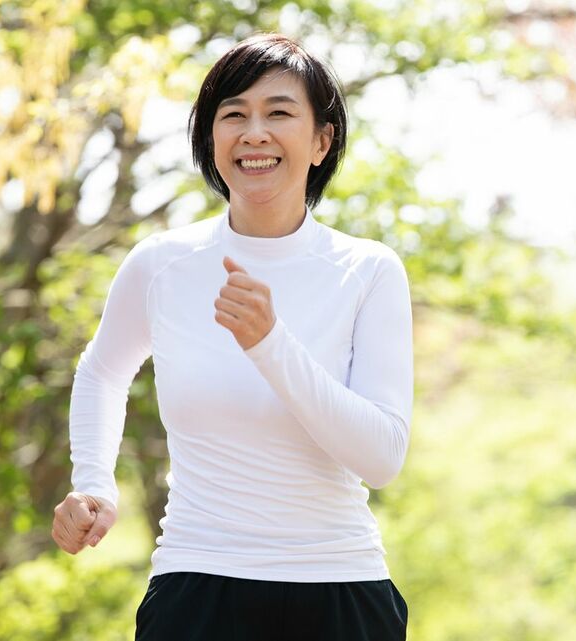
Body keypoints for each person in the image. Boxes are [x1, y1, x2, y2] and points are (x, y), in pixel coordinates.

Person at [50, 33, 413, 641]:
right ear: (211, 139)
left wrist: (271, 344)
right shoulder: (162, 263)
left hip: (340, 589)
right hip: (199, 585)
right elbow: (103, 371)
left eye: (278, 113)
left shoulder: (368, 271)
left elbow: (381, 459)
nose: (254, 133)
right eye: (233, 115)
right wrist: (93, 482)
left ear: (321, 140)